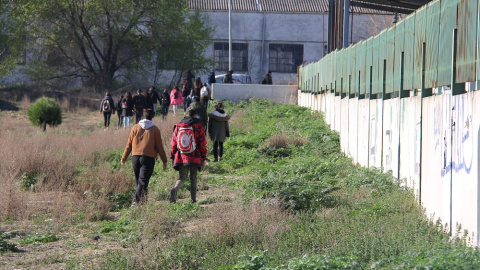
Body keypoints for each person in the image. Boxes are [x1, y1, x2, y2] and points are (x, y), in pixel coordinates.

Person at [121, 109, 168, 206]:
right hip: (148, 158)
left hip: (135, 157)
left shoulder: (135, 127)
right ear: (152, 117)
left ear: (143, 116)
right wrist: (164, 160)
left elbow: (128, 144)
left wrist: (124, 157)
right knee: (143, 181)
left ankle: (143, 203)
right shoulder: (155, 129)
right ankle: (136, 200)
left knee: (140, 181)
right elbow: (159, 146)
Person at [169, 108, 207, 203]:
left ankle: (175, 189)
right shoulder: (198, 126)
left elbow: (174, 142)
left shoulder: (178, 125)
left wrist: (173, 155)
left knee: (182, 177)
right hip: (195, 155)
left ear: (186, 114)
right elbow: (202, 143)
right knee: (193, 177)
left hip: (181, 156)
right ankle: (193, 199)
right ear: (195, 115)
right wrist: (203, 157)